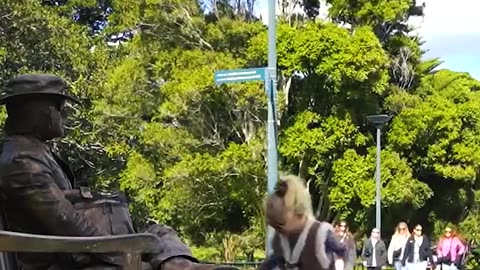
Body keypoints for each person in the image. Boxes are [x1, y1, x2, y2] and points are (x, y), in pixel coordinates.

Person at [0, 74, 238, 270]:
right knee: (149, 242)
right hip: (64, 262)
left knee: (157, 230)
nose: (66, 114)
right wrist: (124, 250)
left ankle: (179, 266)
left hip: (76, 253)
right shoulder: (22, 161)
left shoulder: (35, 151)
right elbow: (67, 223)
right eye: (60, 107)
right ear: (40, 111)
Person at [259, 175, 347, 270]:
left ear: (295, 211)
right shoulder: (279, 239)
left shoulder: (320, 234)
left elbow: (341, 252)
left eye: (280, 224)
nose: (279, 230)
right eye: (273, 225)